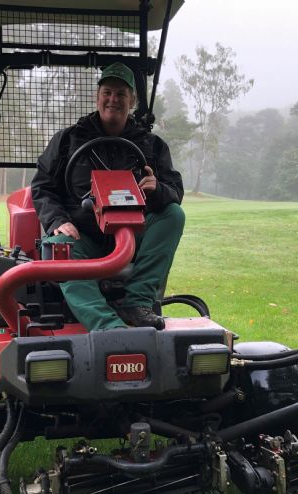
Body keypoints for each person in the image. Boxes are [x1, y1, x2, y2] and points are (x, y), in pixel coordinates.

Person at [31, 62, 184, 331]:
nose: (113, 100)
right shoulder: (67, 141)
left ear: (132, 100)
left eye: (121, 94)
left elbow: (175, 192)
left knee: (173, 214)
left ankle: (137, 303)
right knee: (60, 246)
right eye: (108, 92)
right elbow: (42, 187)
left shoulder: (152, 146)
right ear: (97, 96)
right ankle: (109, 328)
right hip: (83, 233)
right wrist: (57, 221)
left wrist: (157, 188)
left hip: (132, 235)